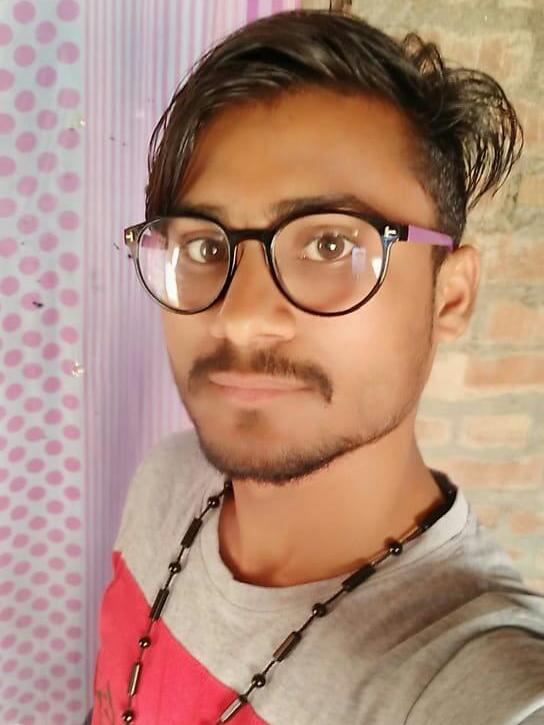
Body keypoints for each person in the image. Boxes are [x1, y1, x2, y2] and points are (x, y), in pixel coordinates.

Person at [86, 8, 544, 725]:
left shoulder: (469, 679)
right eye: (205, 247)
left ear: (449, 296)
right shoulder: (166, 479)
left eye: (331, 244)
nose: (240, 315)